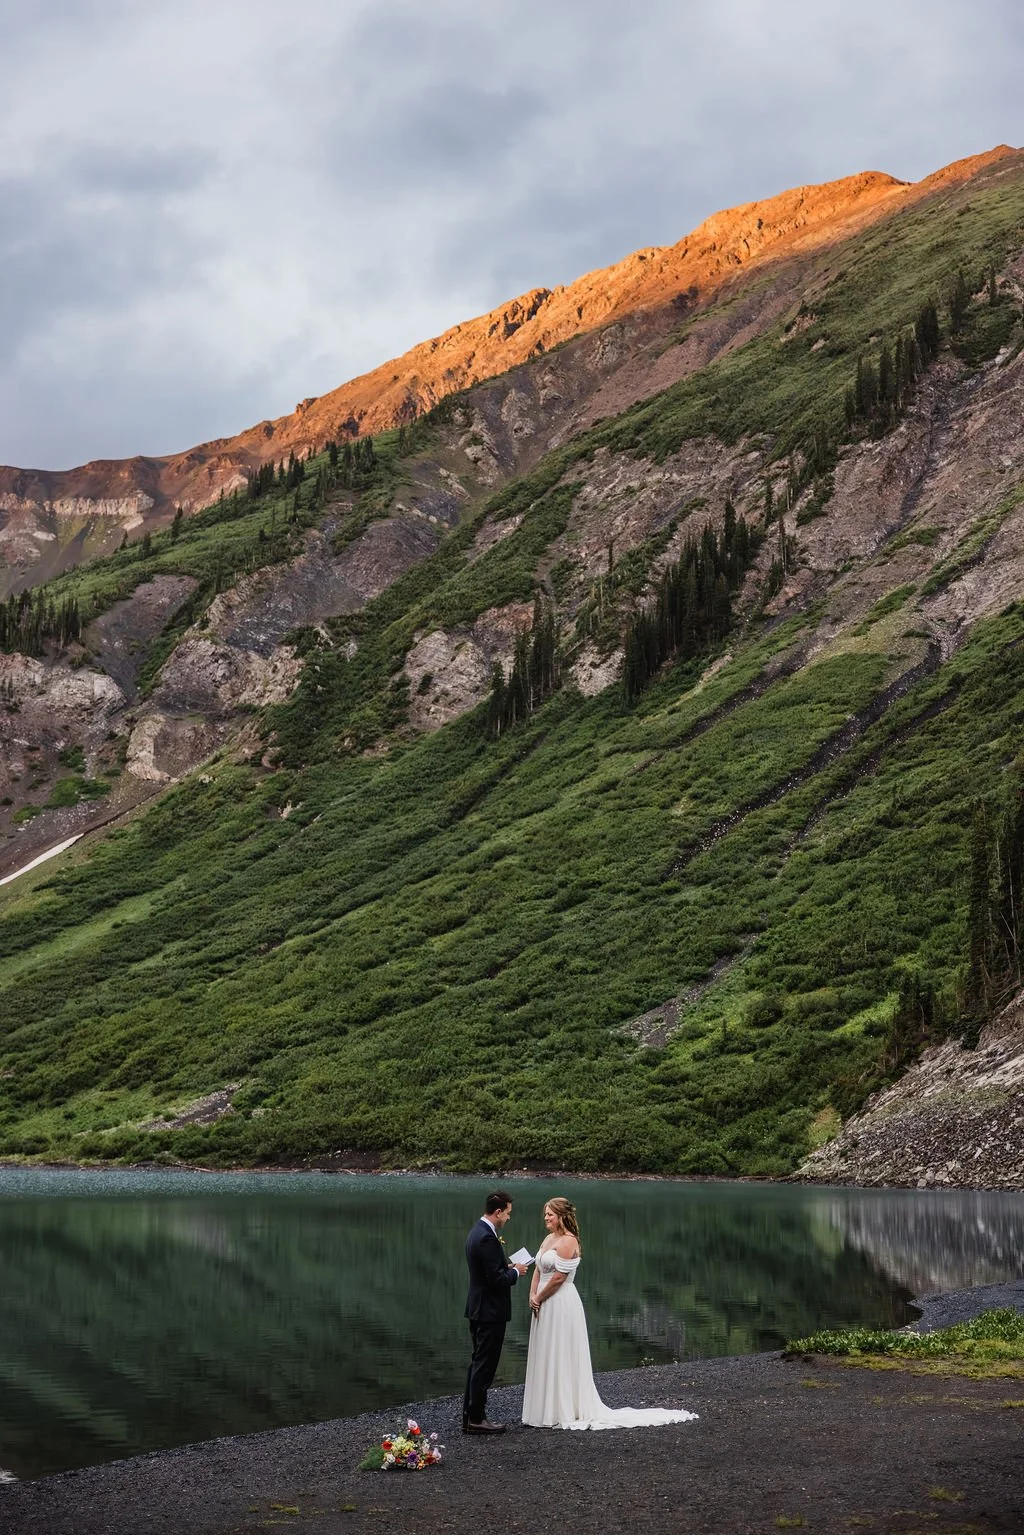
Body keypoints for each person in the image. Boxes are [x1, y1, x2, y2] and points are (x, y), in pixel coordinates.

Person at [521, 1196, 699, 1431]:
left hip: (560, 1302)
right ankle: (543, 1410)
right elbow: (538, 1269)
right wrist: (532, 1295)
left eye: (549, 1214)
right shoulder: (548, 1239)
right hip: (543, 1301)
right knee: (546, 1350)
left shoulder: (568, 1241)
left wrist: (540, 1297)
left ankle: (562, 1409)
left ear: (562, 1216)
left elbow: (558, 1278)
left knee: (561, 1350)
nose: (546, 1218)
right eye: (545, 1214)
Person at [463, 1190, 529, 1434]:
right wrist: (515, 1272)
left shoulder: (477, 1232)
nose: (509, 1218)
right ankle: (476, 1419)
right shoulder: (487, 1238)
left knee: (477, 1362)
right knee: (485, 1365)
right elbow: (495, 1280)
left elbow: (487, 1270)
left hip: (478, 1308)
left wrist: (506, 1266)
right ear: (498, 1211)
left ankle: (470, 1416)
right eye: (508, 1213)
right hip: (490, 1311)